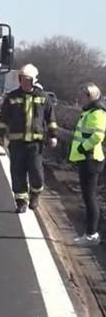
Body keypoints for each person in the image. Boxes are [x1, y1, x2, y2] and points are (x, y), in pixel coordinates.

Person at [0, 63, 58, 213]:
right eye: (22, 79)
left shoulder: (43, 98)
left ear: (33, 80)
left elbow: (51, 119)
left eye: (27, 79)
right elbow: (3, 117)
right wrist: (0, 135)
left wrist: (53, 136)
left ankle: (35, 195)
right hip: (16, 143)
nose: (24, 82)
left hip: (36, 144)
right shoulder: (12, 97)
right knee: (17, 173)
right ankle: (21, 201)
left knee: (36, 173)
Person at [69, 83, 106, 246]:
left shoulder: (97, 112)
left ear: (90, 96)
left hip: (91, 159)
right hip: (86, 159)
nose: (80, 98)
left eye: (83, 95)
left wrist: (83, 148)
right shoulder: (89, 112)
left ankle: (92, 234)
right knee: (87, 196)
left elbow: (98, 136)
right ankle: (90, 233)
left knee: (90, 197)